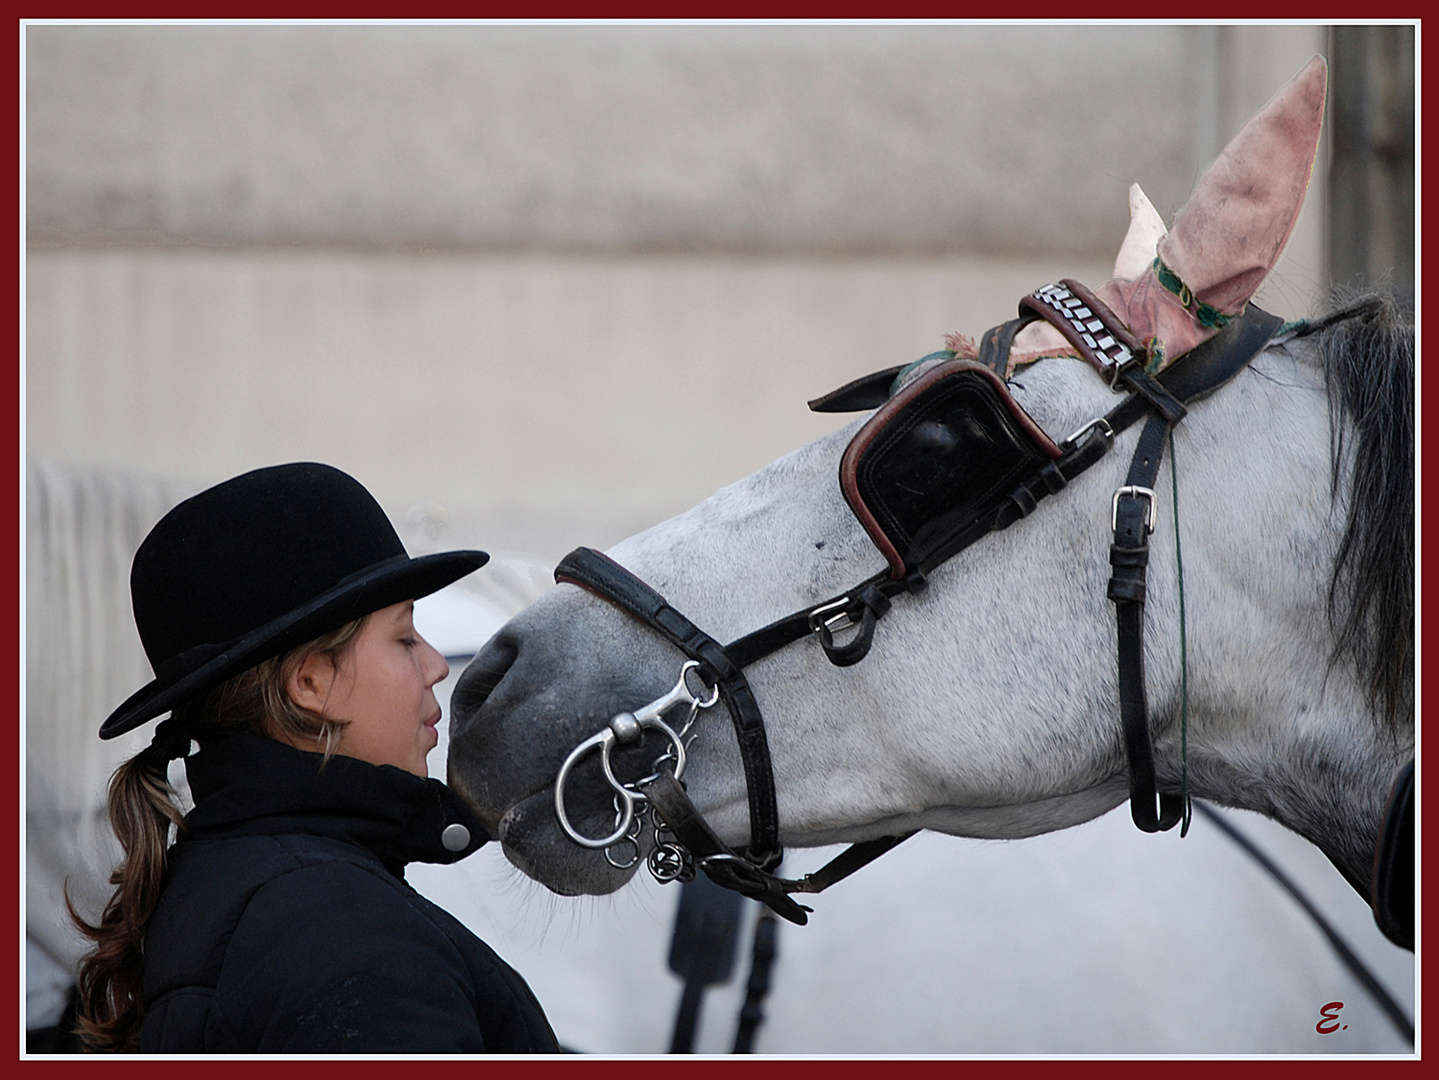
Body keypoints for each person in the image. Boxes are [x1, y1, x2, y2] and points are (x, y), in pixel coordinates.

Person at [68, 462, 559, 1054]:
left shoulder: (232, 885)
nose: (435, 666)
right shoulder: (349, 937)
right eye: (405, 637)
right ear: (310, 684)